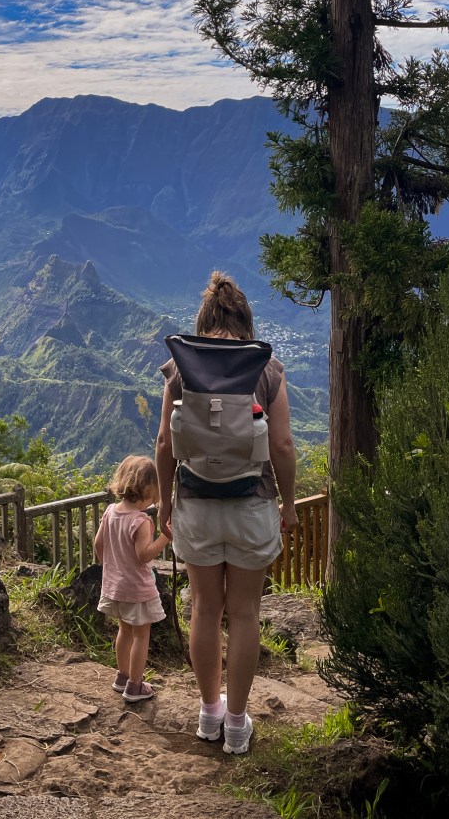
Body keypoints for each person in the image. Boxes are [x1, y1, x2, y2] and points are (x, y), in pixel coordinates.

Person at [156, 271, 298, 753]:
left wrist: (163, 502)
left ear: (204, 320)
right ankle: (237, 725)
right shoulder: (266, 368)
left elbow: (164, 444)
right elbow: (281, 445)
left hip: (195, 504)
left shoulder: (180, 367)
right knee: (244, 613)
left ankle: (208, 713)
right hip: (251, 505)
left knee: (204, 608)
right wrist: (289, 504)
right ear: (245, 321)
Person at [94, 454, 170, 702]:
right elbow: (144, 555)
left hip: (116, 586)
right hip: (137, 589)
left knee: (124, 631)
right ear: (148, 490)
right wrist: (167, 536)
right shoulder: (141, 521)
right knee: (141, 635)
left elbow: (98, 545)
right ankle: (135, 686)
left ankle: (122, 676)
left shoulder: (110, 512)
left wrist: (112, 566)